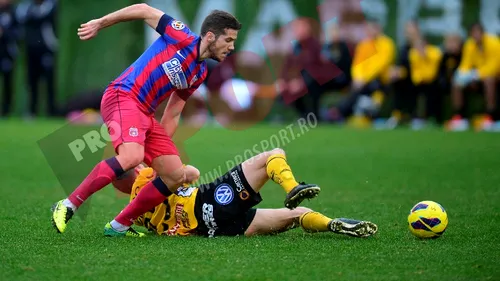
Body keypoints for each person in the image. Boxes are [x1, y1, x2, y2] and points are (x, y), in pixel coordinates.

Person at [51, 4, 319, 237]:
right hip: (123, 95)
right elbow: (144, 9)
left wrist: (158, 155)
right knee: (132, 156)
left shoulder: (199, 72)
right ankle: (69, 204)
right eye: (228, 40)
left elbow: (173, 112)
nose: (232, 46)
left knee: (174, 174)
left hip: (144, 113)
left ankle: (119, 225)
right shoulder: (180, 35)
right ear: (211, 36)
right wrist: (101, 22)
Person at [111, 148, 376, 238]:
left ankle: (332, 224)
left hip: (211, 230)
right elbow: (191, 172)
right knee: (273, 154)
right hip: (209, 202)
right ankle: (292, 187)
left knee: (297, 215)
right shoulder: (146, 178)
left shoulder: (132, 215)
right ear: (134, 169)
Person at [449, 23, 500, 131]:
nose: (476, 36)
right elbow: (465, 64)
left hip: (494, 77)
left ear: (483, 33)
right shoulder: (469, 45)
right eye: (474, 33)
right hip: (477, 78)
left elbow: (495, 66)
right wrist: (462, 74)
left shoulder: (494, 43)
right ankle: (459, 117)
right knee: (456, 82)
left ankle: (491, 117)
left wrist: (477, 74)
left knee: (489, 80)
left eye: (478, 33)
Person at [17, 0, 58, 117]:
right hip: (30, 50)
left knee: (49, 81)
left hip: (47, 48)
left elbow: (41, 15)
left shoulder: (51, 5)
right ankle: (31, 111)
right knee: (32, 81)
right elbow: (21, 16)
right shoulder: (26, 7)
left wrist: (31, 13)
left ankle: (51, 111)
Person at [0, 0, 18, 117]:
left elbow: (18, 32)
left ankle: (6, 111)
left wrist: (4, 33)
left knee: (8, 83)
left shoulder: (13, 12)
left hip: (6, 53)